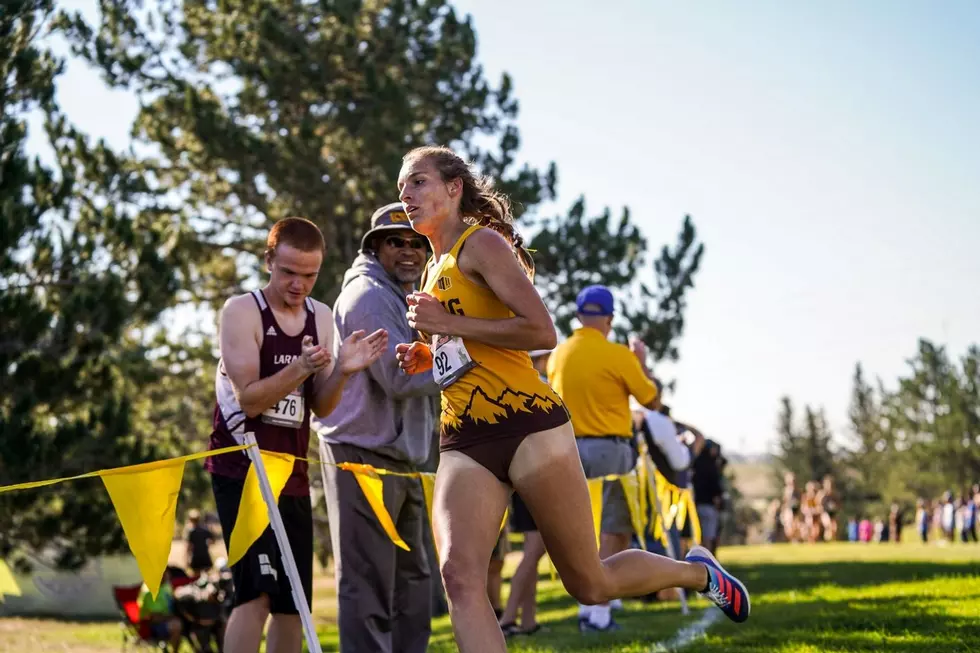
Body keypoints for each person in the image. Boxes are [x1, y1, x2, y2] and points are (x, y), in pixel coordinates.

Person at [393, 145, 749, 653]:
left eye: (419, 181)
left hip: (528, 427)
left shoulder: (483, 245)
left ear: (454, 188)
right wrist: (429, 354)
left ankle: (697, 574)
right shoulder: (433, 269)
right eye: (402, 186)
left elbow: (541, 330)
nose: (407, 194)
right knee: (459, 575)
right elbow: (469, 344)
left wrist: (447, 324)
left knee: (588, 583)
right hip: (463, 437)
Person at [205, 217, 388, 653]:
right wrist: (300, 368)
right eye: (288, 272)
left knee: (293, 602)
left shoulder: (321, 317)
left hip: (292, 473)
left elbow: (321, 406)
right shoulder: (242, 312)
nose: (298, 284)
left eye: (310, 275)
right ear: (269, 261)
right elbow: (249, 399)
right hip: (242, 471)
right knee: (257, 593)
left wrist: (342, 370)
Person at [314, 203, 439, 653]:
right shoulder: (369, 297)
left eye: (416, 243)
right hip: (361, 456)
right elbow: (399, 378)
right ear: (375, 247)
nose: (408, 251)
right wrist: (465, 360)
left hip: (401, 458)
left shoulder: (402, 295)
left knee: (414, 580)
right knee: (369, 584)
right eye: (395, 242)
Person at [546, 284, 666, 632]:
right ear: (610, 320)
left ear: (579, 316)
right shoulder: (618, 356)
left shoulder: (559, 354)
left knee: (583, 531)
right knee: (613, 530)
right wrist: (640, 365)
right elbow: (651, 400)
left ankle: (601, 600)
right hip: (609, 449)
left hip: (567, 450)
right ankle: (596, 613)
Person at [498, 349, 552, 637]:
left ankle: (528, 620)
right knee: (535, 550)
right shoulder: (536, 385)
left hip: (523, 475)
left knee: (534, 549)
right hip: (535, 475)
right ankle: (508, 618)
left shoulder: (509, 384)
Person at [138, 569, 182, 652]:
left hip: (165, 621)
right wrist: (172, 617)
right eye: (164, 573)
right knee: (176, 625)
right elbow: (154, 618)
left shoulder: (164, 587)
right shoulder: (149, 591)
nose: (167, 576)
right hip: (151, 627)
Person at [185, 509, 215, 575]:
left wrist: (186, 560)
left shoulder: (191, 532)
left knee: (196, 578)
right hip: (205, 556)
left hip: (196, 558)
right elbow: (213, 541)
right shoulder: (205, 529)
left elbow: (189, 547)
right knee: (207, 577)